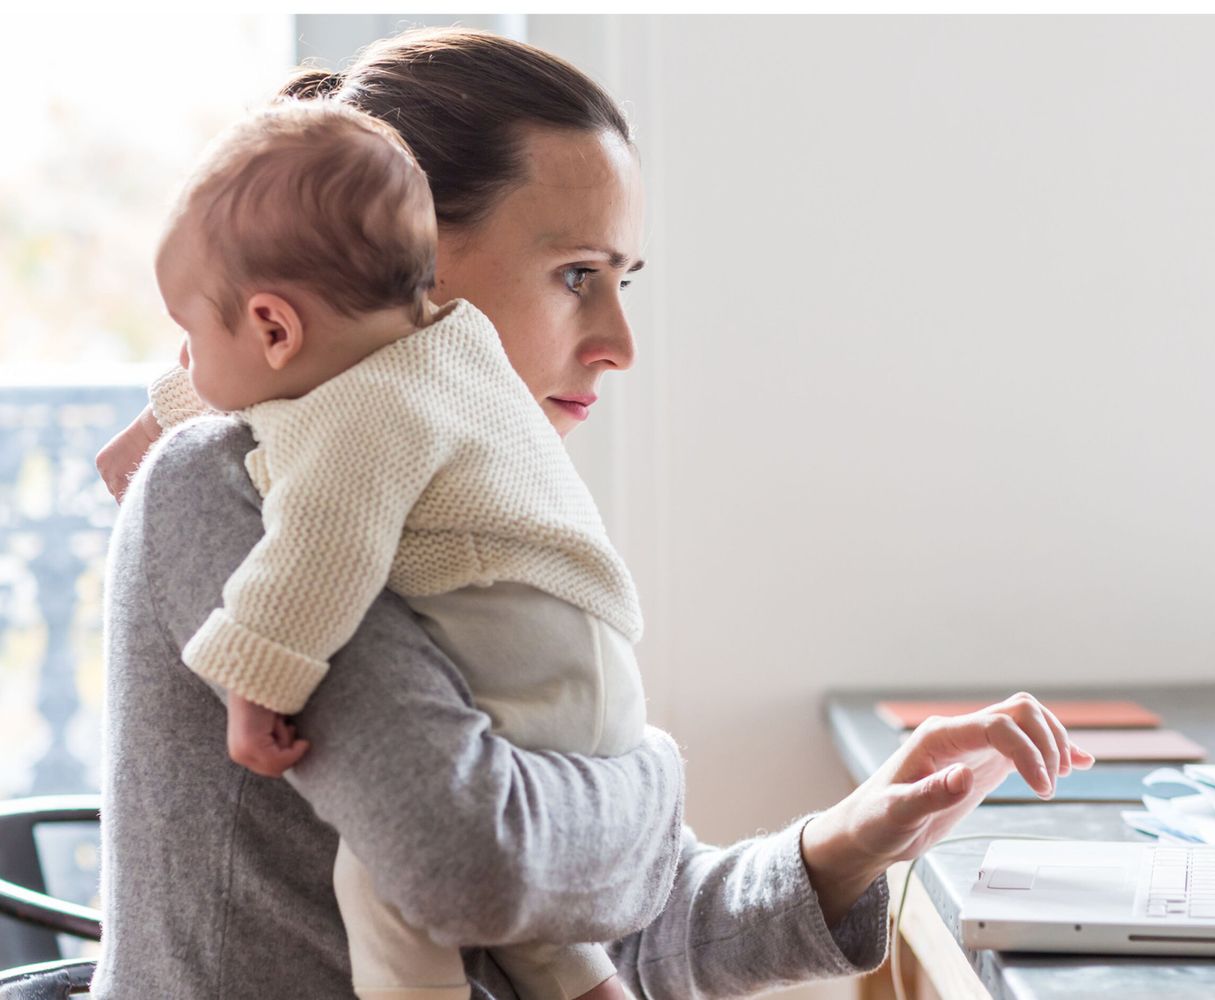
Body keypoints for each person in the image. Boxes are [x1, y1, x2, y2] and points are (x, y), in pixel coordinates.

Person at [92, 27, 1093, 999]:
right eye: (577, 275)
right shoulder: (233, 487)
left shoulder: (469, 504)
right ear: (414, 272)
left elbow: (610, 923)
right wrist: (647, 772)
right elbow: (473, 863)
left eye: (623, 281)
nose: (619, 342)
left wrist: (844, 842)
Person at [147, 97, 648, 1000]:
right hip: (577, 660)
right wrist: (171, 414)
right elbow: (281, 399)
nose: (621, 347)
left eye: (188, 344)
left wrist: (256, 682)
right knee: (532, 914)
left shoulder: (365, 419)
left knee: (381, 886)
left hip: (529, 652)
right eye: (578, 275)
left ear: (271, 325)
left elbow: (321, 541)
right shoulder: (445, 353)